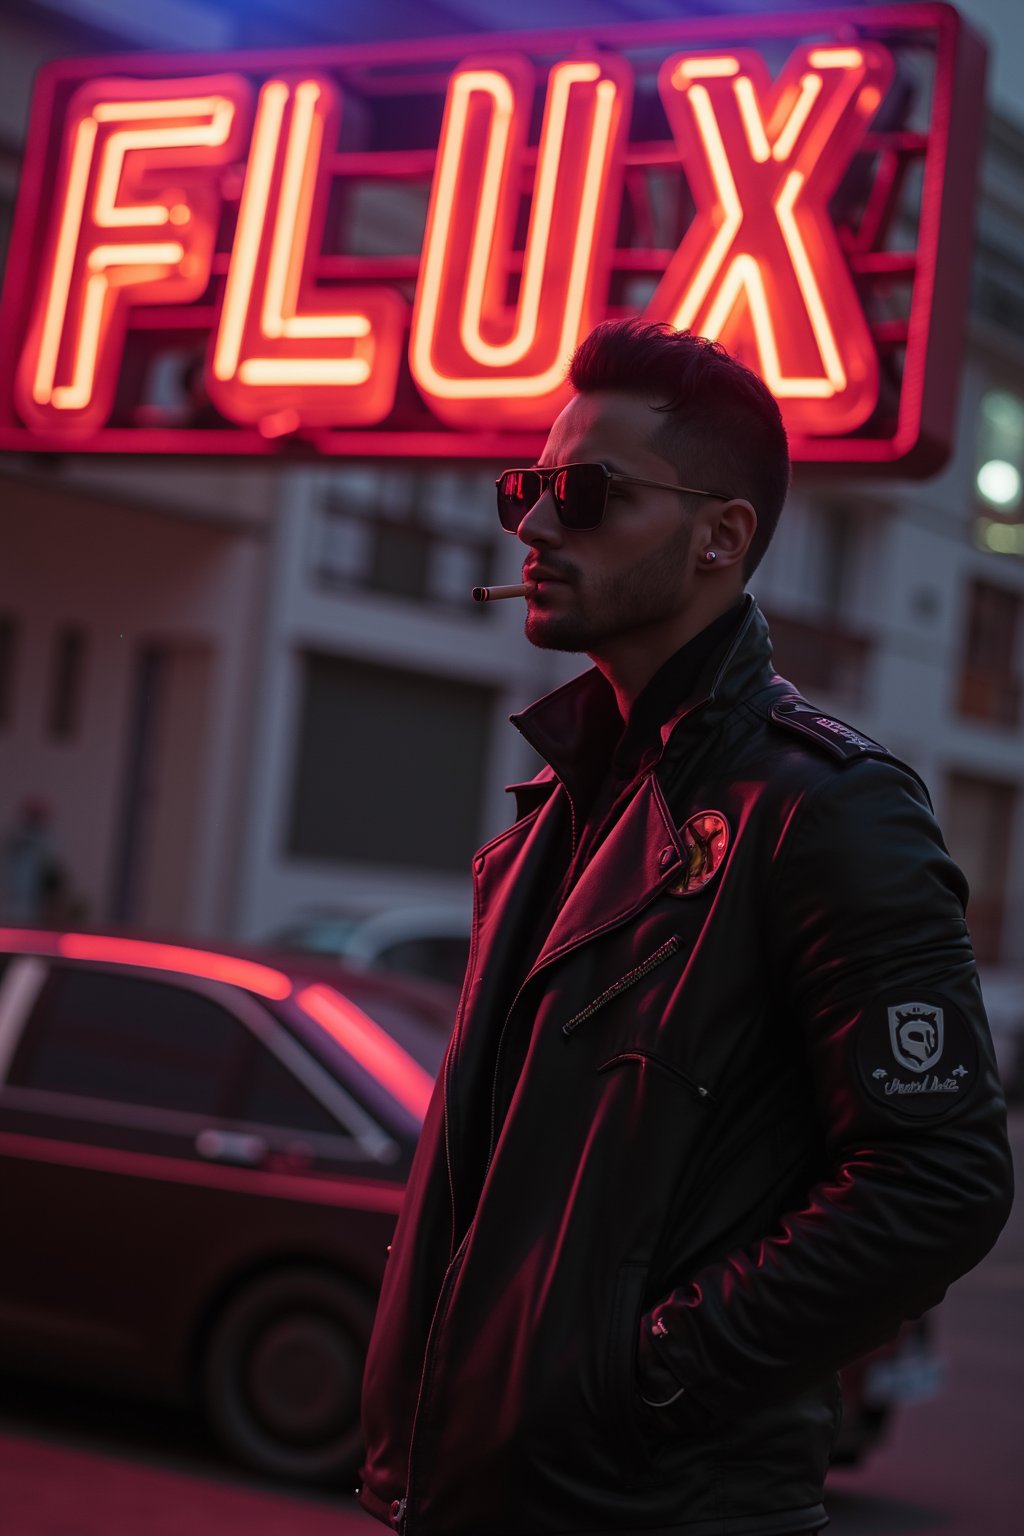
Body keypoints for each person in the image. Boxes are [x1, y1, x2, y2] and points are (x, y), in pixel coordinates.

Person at [357, 320, 1014, 1536]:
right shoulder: (557, 815)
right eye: (526, 491)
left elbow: (939, 1179)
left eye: (584, 494)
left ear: (721, 537)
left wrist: (644, 1375)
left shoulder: (824, 808)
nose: (536, 528)